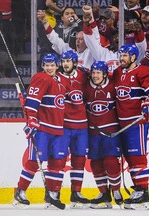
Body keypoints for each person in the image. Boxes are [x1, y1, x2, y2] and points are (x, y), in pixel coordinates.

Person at [13, 53, 68, 209]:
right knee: (33, 162)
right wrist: (31, 120)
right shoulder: (41, 78)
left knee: (56, 162)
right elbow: (32, 104)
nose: (49, 68)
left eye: (52, 65)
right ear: (43, 66)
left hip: (58, 129)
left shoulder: (62, 80)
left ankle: (51, 194)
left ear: (57, 66)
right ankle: (20, 191)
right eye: (46, 65)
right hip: (43, 128)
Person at [112, 44, 149, 209]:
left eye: (125, 56)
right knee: (129, 158)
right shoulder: (118, 72)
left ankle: (143, 192)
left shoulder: (143, 72)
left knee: (138, 157)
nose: (122, 58)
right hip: (122, 123)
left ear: (133, 57)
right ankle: (138, 189)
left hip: (137, 122)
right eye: (121, 55)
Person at [84, 61, 123, 209]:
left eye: (98, 73)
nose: (95, 75)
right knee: (95, 163)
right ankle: (104, 194)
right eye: (93, 73)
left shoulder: (113, 86)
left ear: (105, 74)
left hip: (111, 132)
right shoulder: (86, 87)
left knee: (111, 161)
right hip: (93, 132)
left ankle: (116, 190)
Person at [58, 50, 90, 208]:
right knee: (59, 160)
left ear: (75, 63)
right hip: (64, 126)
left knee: (79, 160)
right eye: (63, 61)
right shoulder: (56, 78)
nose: (65, 64)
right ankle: (54, 193)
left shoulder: (84, 76)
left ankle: (76, 193)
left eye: (68, 61)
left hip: (82, 126)